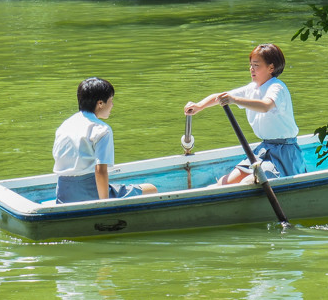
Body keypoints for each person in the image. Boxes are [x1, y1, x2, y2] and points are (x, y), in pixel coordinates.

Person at [184, 43, 305, 185]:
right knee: (224, 183)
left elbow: (265, 106)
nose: (251, 69)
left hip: (284, 152)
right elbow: (219, 96)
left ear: (271, 68)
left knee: (249, 182)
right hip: (264, 149)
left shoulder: (276, 87)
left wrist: (234, 100)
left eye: (256, 65)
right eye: (251, 65)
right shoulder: (251, 88)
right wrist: (199, 106)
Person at [53, 77, 157, 203]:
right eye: (111, 100)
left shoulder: (65, 125)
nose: (112, 105)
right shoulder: (101, 130)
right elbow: (100, 171)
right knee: (151, 189)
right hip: (90, 193)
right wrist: (105, 204)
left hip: (63, 194)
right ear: (100, 103)